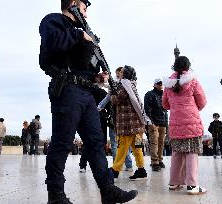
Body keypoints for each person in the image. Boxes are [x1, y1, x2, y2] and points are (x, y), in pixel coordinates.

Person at [39, 0, 138, 203]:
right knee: (62, 143)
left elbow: (82, 66)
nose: (86, 15)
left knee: (95, 143)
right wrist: (78, 35)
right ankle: (56, 196)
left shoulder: (80, 30)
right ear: (73, 4)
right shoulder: (53, 21)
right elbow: (51, 48)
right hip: (66, 90)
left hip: (86, 93)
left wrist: (96, 78)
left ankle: (108, 190)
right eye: (85, 9)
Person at [163, 56, 207, 195]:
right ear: (188, 66)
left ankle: (174, 182)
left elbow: (165, 104)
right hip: (192, 122)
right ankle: (192, 185)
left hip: (175, 123)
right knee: (191, 152)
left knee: (177, 153)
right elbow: (202, 101)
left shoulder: (168, 83)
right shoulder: (193, 80)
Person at [110, 65, 147, 180]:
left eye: (121, 72)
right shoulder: (132, 85)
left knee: (121, 148)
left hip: (127, 124)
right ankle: (141, 170)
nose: (119, 73)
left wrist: (111, 93)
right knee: (137, 148)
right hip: (136, 124)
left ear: (125, 74)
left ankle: (115, 171)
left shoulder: (124, 85)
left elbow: (116, 99)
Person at [98, 67, 133, 171]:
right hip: (115, 119)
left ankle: (123, 165)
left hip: (122, 118)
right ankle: (118, 165)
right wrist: (99, 107)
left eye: (120, 74)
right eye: (117, 74)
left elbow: (109, 94)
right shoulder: (123, 86)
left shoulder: (125, 86)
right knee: (116, 144)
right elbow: (107, 97)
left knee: (122, 143)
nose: (118, 76)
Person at [144, 78, 168, 171]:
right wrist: (150, 122)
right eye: (158, 83)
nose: (161, 85)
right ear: (154, 84)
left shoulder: (164, 94)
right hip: (153, 123)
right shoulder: (149, 94)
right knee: (154, 142)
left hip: (163, 123)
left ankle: (160, 160)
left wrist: (167, 123)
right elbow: (147, 109)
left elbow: (166, 110)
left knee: (161, 143)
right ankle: (154, 162)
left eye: (162, 83)